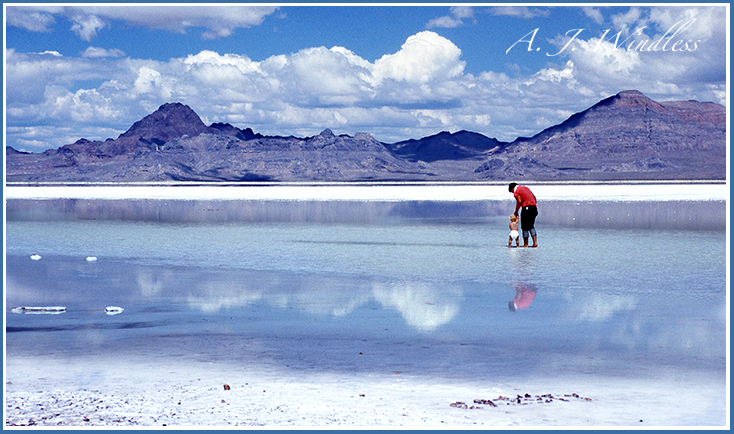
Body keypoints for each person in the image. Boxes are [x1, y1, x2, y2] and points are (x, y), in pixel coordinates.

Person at [508, 182, 538, 248]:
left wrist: (516, 211)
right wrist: (533, 205)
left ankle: (526, 244)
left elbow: (519, 201)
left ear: (512, 189)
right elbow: (534, 197)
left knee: (524, 226)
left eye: (512, 192)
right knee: (531, 226)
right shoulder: (526, 188)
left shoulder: (517, 192)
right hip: (534, 208)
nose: (513, 193)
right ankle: (534, 243)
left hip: (527, 208)